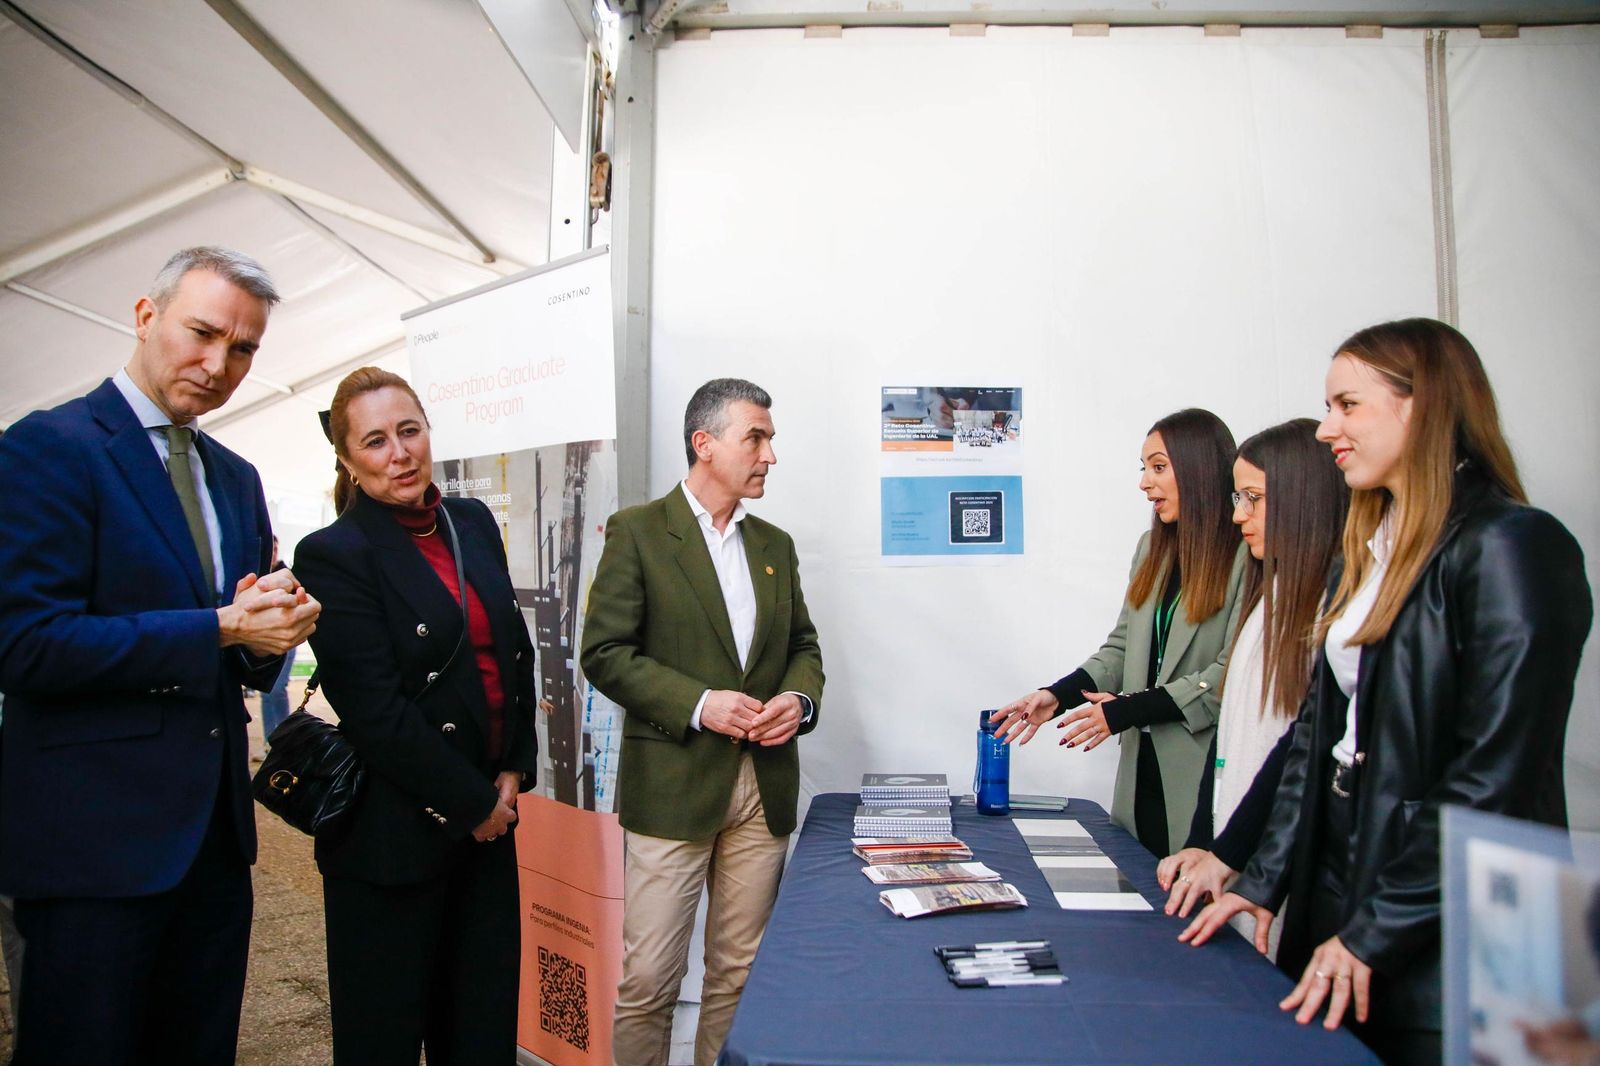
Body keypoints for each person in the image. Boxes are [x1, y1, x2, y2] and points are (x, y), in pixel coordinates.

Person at [1181, 319, 1593, 1065]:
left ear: (1423, 405)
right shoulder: (1365, 550)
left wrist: (1373, 930)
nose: (1328, 429)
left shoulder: (1515, 546)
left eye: (1348, 405)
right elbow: (1315, 736)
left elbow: (1496, 775)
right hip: (1360, 872)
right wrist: (1261, 876)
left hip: (1473, 913)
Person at [0, 247, 320, 1064]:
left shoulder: (235, 477)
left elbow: (242, 656)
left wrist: (272, 633)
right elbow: (26, 646)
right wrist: (220, 627)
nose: (218, 365)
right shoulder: (47, 448)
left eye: (243, 348)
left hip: (213, 845)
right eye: (202, 332)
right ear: (146, 316)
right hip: (92, 847)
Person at [292, 367, 539, 1065]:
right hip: (393, 840)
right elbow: (374, 713)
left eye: (409, 431)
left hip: (490, 826)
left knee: (481, 1036)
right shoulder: (332, 554)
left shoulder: (470, 522)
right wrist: (471, 803)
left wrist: (514, 767)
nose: (399, 453)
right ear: (347, 460)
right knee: (385, 1040)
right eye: (375, 441)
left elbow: (513, 656)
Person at [580, 377, 825, 1066]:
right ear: (704, 443)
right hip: (674, 784)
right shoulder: (638, 532)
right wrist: (699, 703)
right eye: (757, 437)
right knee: (650, 979)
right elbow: (603, 653)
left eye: (769, 438)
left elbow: (803, 647)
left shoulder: (775, 544)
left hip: (762, 786)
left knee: (740, 974)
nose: (770, 454)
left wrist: (798, 704)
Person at [992, 408, 1248, 856]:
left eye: (1159, 467)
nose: (1144, 482)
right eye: (1144, 468)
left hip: (1204, 770)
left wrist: (1127, 711)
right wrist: (1058, 695)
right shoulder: (1152, 548)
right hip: (1139, 769)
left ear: (1200, 468)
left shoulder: (1250, 555)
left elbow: (1234, 674)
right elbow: (1123, 647)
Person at [1155, 419, 1350, 951]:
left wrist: (1232, 853)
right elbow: (1229, 732)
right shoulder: (1271, 593)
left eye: (1253, 498)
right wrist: (1203, 843)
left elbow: (1299, 751)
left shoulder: (1334, 608)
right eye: (1237, 496)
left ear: (1303, 498)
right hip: (1236, 856)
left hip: (1273, 866)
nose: (1238, 514)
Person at [256, 534, 297, 742]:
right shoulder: (257, 576)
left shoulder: (286, 575)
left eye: (275, 549)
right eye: (269, 549)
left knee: (277, 689)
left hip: (284, 640)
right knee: (265, 692)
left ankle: (284, 740)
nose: (272, 553)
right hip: (261, 639)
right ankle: (269, 740)